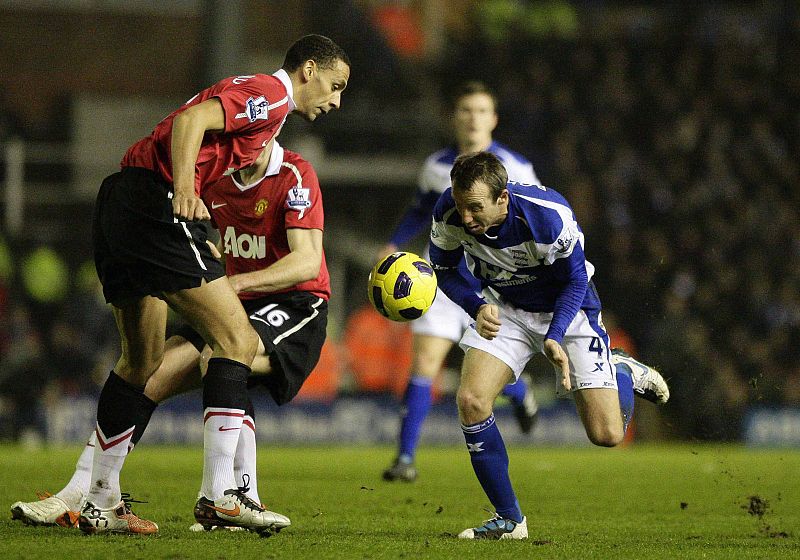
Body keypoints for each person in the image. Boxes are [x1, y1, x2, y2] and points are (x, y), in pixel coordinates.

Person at [75, 34, 348, 535]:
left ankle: (98, 501)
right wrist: (183, 187)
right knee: (236, 340)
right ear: (309, 69)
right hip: (157, 200)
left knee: (142, 361)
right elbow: (191, 120)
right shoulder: (274, 92)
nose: (335, 100)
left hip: (119, 200)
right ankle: (223, 495)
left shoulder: (268, 118)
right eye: (334, 85)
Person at [11, 139, 330, 534]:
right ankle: (81, 492)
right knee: (152, 376)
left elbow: (306, 262)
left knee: (224, 354)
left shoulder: (294, 175)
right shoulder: (218, 180)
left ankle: (233, 496)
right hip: (238, 305)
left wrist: (232, 281)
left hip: (296, 307)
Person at [428, 152, 669, 539]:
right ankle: (509, 520)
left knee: (607, 435)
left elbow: (575, 282)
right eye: (460, 206)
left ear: (502, 198)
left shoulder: (547, 216)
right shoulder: (448, 213)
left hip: (568, 310)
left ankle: (621, 369)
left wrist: (555, 335)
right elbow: (442, 270)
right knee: (472, 399)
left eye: (475, 208)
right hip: (506, 308)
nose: (466, 218)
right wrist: (476, 306)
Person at [380, 81, 540, 483]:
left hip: (494, 287)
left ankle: (520, 393)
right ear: (456, 118)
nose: (473, 118)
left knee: (489, 372)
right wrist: (393, 243)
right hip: (442, 279)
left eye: (481, 111)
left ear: (494, 119)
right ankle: (404, 460)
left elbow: (536, 220)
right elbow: (419, 211)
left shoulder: (516, 169)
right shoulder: (436, 167)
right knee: (425, 363)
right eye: (466, 110)